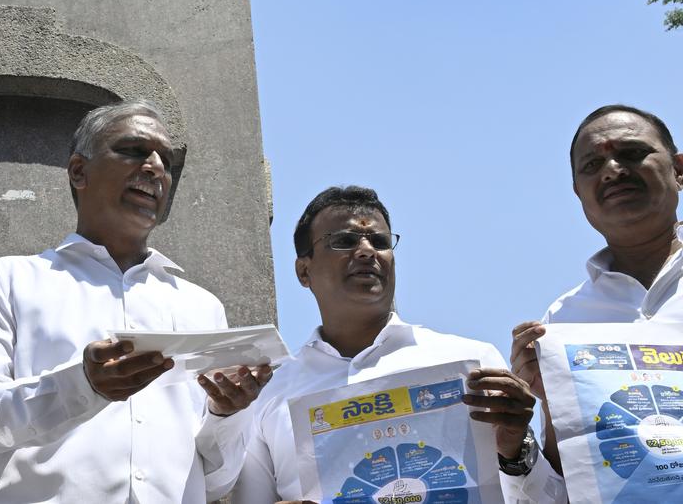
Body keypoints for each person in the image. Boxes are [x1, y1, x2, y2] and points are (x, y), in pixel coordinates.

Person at [0, 100, 272, 503]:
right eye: (134, 150)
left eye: (166, 160)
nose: (155, 167)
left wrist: (227, 414)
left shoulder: (201, 307)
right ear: (79, 172)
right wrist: (82, 385)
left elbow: (215, 482)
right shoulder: (10, 279)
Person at [232, 186, 566, 504]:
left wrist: (516, 452)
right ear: (304, 271)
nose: (366, 251)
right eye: (344, 241)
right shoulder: (269, 392)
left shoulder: (471, 362)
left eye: (379, 241)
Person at [511, 104, 683, 473]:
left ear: (679, 169)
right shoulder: (562, 321)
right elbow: (568, 474)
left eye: (632, 153)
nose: (612, 171)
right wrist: (544, 405)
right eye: (592, 165)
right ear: (578, 192)